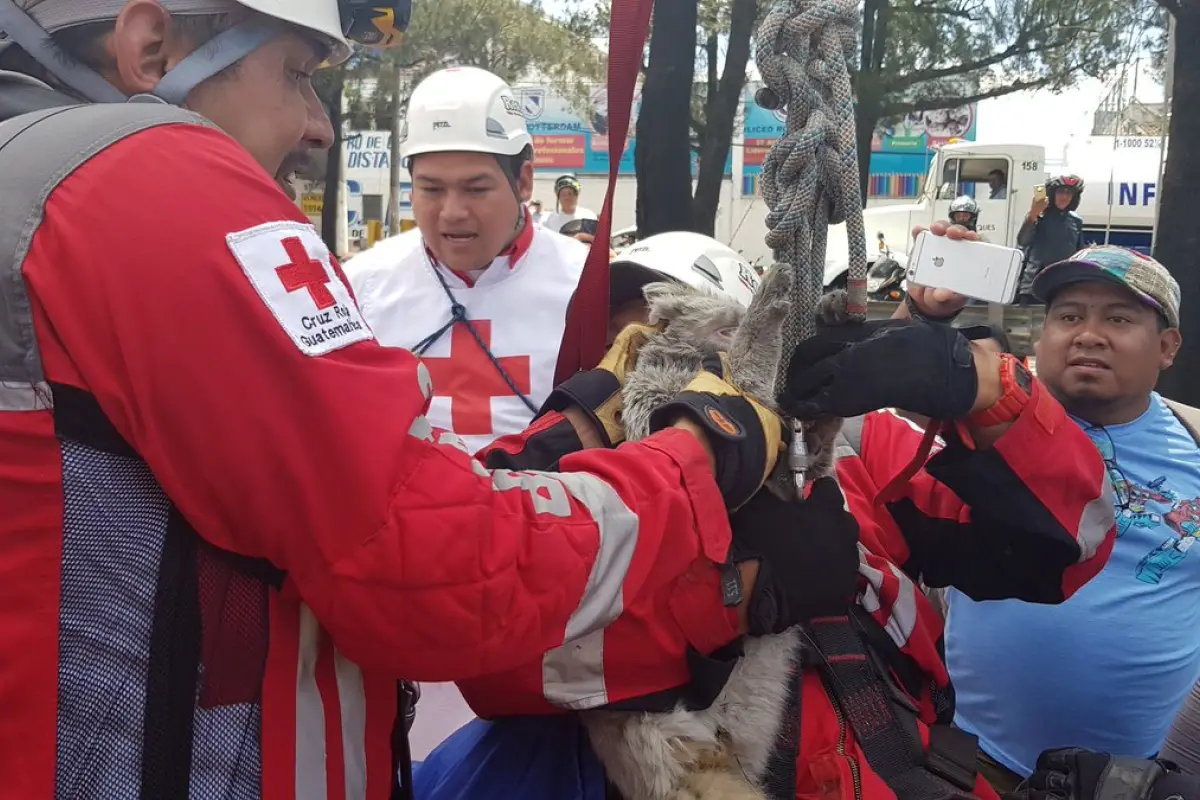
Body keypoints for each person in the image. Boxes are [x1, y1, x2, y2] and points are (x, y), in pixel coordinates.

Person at [0, 3, 830, 797]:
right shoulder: (151, 185)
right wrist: (705, 453)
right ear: (150, 49)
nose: (320, 124)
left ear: (522, 177)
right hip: (457, 626)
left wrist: (558, 440)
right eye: (295, 72)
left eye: (475, 186)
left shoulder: (31, 172)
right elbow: (421, 558)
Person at [418, 222, 1116, 800]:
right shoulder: (551, 476)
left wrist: (983, 388)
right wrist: (739, 597)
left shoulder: (850, 452)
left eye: (688, 341)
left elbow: (1064, 549)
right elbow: (480, 642)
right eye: (632, 343)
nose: (663, 372)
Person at [945, 245, 1200, 793]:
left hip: (1147, 779)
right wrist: (924, 316)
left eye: (1118, 318)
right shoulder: (979, 424)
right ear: (1042, 339)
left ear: (1167, 347)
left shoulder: (1198, 440)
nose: (1088, 334)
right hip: (972, 761)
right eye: (1069, 316)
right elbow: (867, 402)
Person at [1016, 174, 1086, 304]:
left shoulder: (1076, 221)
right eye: (1060, 192)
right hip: (1033, 286)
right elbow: (1023, 240)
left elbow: (1079, 253)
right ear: (1052, 193)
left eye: (1069, 193)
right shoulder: (1039, 216)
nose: (1064, 197)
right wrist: (1032, 215)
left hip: (1063, 286)